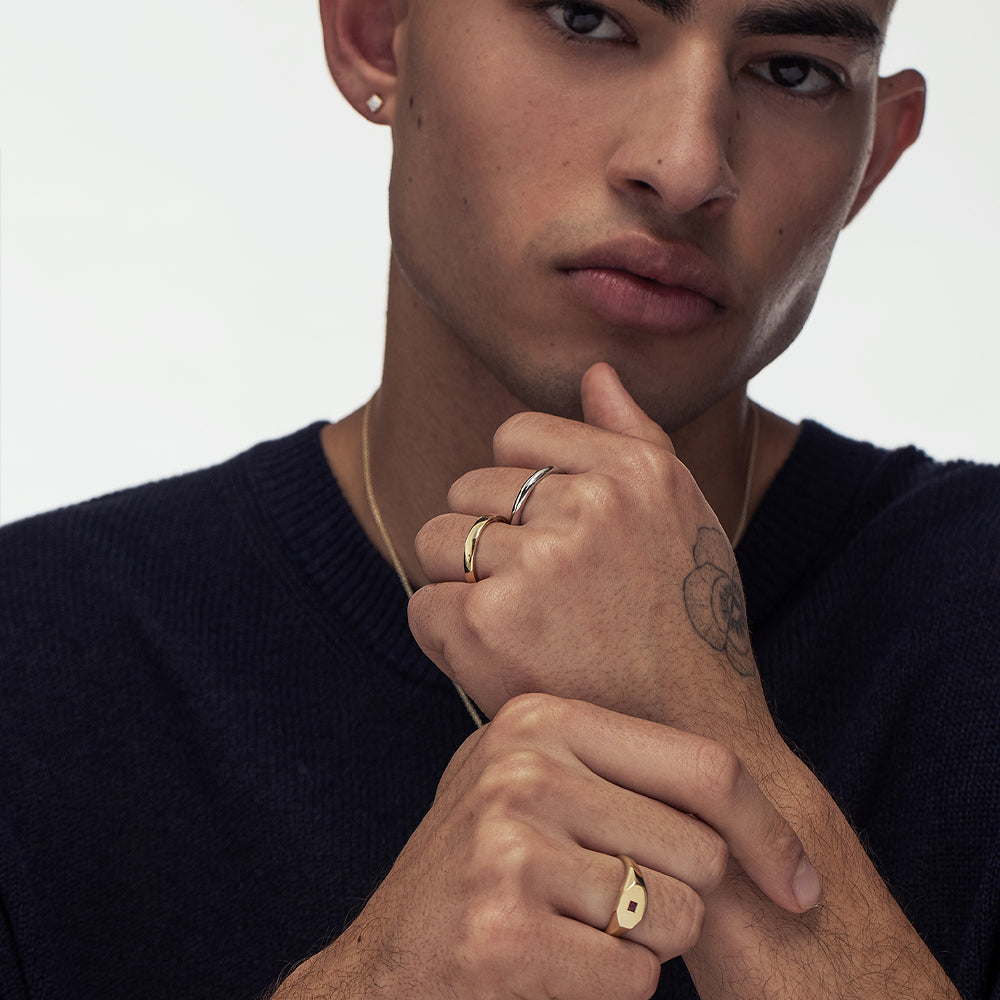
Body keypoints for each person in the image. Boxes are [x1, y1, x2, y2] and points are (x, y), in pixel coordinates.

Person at [1, 0, 997, 998]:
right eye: (585, 19)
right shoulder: (32, 654)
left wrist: (729, 760)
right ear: (374, 31)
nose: (685, 163)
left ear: (873, 157)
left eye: (792, 72)